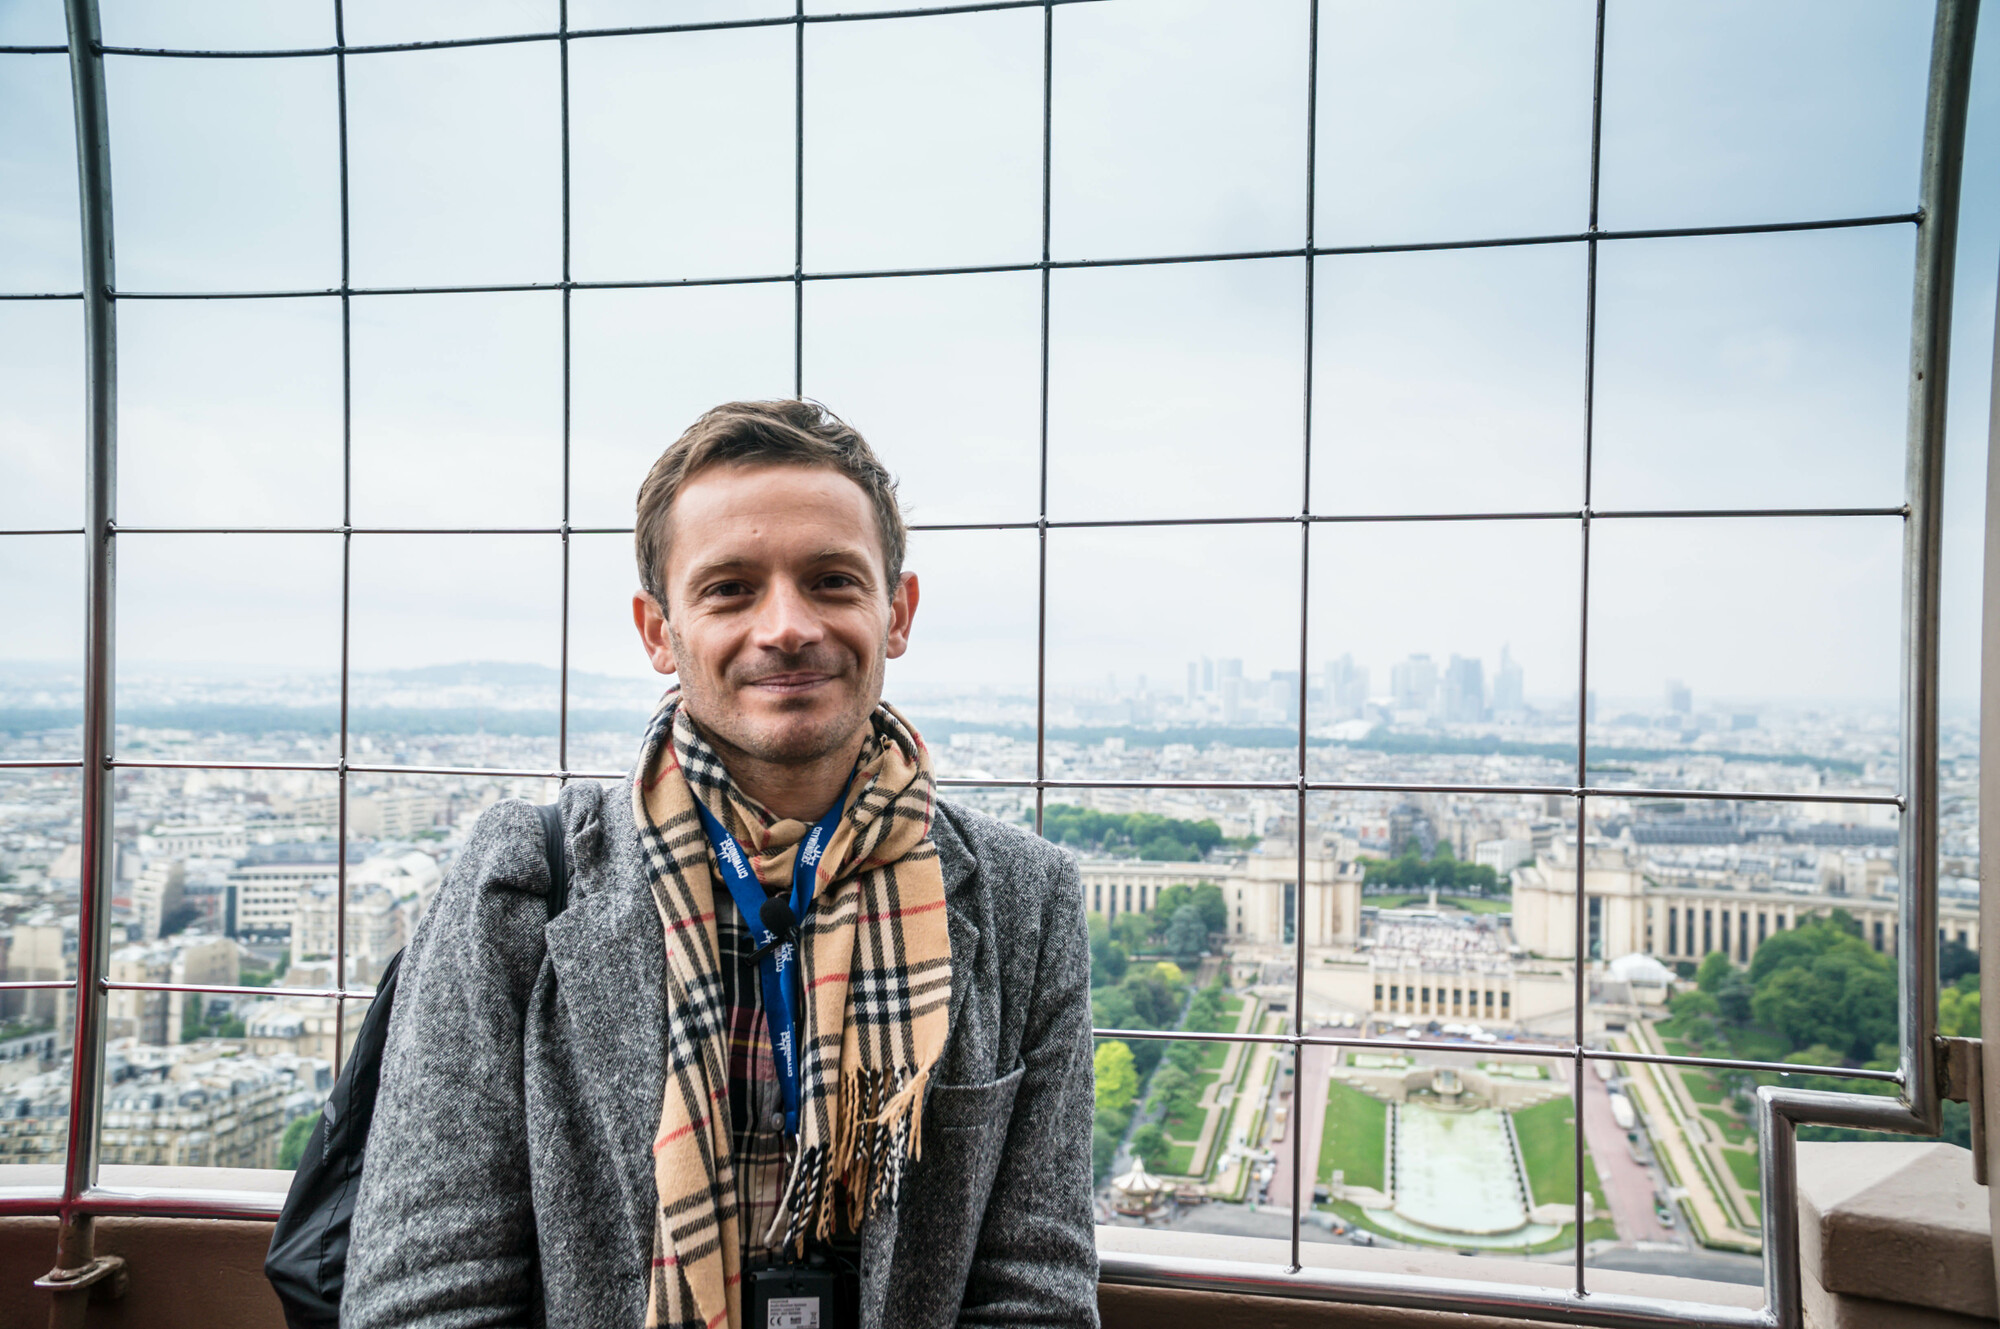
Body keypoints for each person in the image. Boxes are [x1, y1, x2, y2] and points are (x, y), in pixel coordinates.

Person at [345, 400, 1100, 1329]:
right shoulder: (520, 886)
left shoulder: (1026, 902)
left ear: (896, 612)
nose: (786, 626)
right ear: (657, 631)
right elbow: (423, 1294)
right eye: (731, 589)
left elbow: (1035, 1290)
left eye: (831, 581)